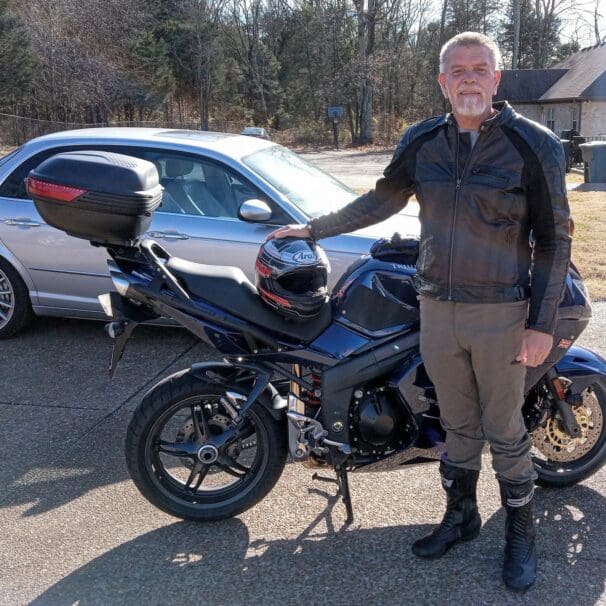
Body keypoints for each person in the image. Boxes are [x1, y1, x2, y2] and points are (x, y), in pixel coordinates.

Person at [267, 31, 571, 592]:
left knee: (503, 428)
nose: (470, 78)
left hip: (502, 313)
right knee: (455, 424)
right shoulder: (423, 140)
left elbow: (554, 242)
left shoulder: (536, 145)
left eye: (481, 68)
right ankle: (461, 517)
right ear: (443, 81)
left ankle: (521, 533)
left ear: (497, 79)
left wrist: (540, 326)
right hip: (436, 308)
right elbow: (382, 199)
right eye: (459, 70)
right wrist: (314, 228)